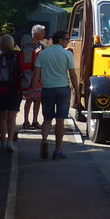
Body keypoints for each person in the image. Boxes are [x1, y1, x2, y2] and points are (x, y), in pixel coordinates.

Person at [32, 29, 79, 160]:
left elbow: (36, 73)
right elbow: (73, 75)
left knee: (47, 118)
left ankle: (45, 139)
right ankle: (57, 150)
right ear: (60, 40)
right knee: (60, 119)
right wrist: (77, 91)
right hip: (63, 89)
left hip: (47, 89)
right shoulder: (67, 54)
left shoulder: (42, 54)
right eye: (67, 39)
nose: (68, 42)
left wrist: (32, 89)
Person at [0, 34, 22, 151]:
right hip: (15, 90)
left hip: (1, 89)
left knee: (2, 117)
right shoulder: (18, 57)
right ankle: (10, 142)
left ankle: (3, 140)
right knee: (12, 117)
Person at [20, 25, 45, 129]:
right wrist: (35, 53)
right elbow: (25, 57)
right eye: (43, 32)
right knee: (29, 98)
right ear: (36, 33)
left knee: (38, 98)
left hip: (39, 75)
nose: (44, 34)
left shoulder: (42, 45)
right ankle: (26, 121)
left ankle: (35, 120)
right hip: (29, 74)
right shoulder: (27, 45)